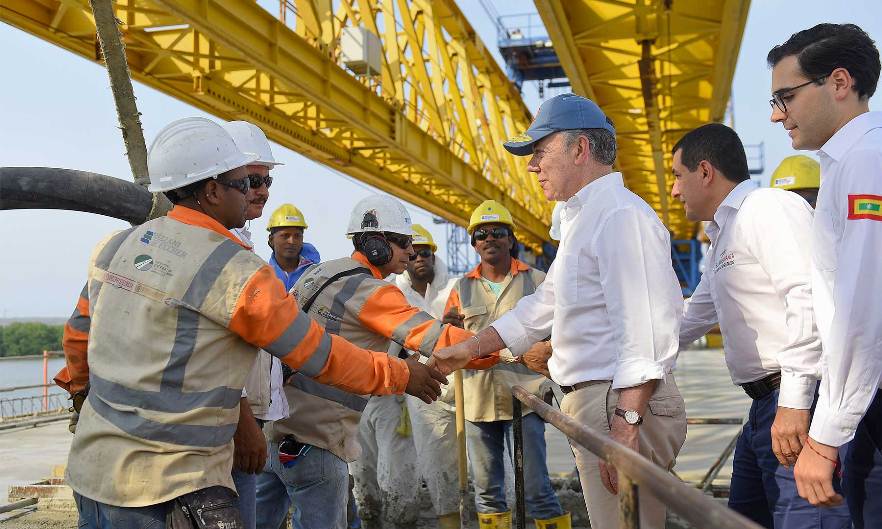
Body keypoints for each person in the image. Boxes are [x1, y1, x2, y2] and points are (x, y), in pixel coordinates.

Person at [62, 117, 446, 529]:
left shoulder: (113, 246)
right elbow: (318, 353)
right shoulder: (235, 269)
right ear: (211, 191)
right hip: (170, 487)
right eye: (245, 183)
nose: (254, 194)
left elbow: (78, 338)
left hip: (92, 472)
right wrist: (401, 372)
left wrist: (84, 398)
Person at [431, 93, 687, 529]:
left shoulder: (620, 217)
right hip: (601, 403)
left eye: (540, 151)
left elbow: (646, 332)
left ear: (580, 149)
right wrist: (472, 346)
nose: (532, 166)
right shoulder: (585, 222)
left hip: (617, 404)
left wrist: (625, 427)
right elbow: (543, 305)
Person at [256, 196, 497, 529]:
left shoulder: (323, 271)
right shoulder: (372, 290)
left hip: (272, 434)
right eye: (402, 243)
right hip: (317, 441)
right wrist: (506, 350)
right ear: (374, 244)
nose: (410, 253)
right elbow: (436, 339)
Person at [672, 123, 850, 528]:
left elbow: (807, 296)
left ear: (705, 172)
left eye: (678, 177)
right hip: (763, 408)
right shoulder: (724, 235)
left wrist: (794, 402)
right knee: (745, 517)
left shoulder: (767, 208)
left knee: (805, 518)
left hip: (797, 400)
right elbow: (689, 319)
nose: (675, 191)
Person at [767, 24, 882, 527]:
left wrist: (827, 435)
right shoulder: (849, 164)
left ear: (839, 82)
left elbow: (863, 308)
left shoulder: (865, 163)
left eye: (785, 97)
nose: (775, 114)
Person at [442, 200, 567, 529]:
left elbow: (560, 336)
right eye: (481, 234)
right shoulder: (460, 289)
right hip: (477, 402)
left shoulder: (538, 281)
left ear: (511, 240)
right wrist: (448, 328)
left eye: (498, 232)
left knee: (538, 489)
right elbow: (452, 341)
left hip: (526, 399)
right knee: (487, 492)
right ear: (473, 244)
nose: (489, 238)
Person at [223, 120, 286, 529]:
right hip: (230, 422)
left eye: (267, 179)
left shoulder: (243, 245)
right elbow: (217, 347)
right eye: (253, 179)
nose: (262, 189)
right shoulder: (221, 251)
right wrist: (244, 420)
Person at [392, 224, 461, 529]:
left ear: (434, 255)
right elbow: (393, 348)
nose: (419, 258)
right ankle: (450, 523)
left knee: (485, 465)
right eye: (414, 253)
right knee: (436, 464)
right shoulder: (395, 293)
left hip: (465, 386)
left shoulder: (457, 287)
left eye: (425, 253)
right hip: (424, 391)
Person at [266, 203, 321, 291]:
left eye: (297, 236)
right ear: (271, 239)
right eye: (285, 236)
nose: (291, 241)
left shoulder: (317, 273)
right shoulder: (262, 277)